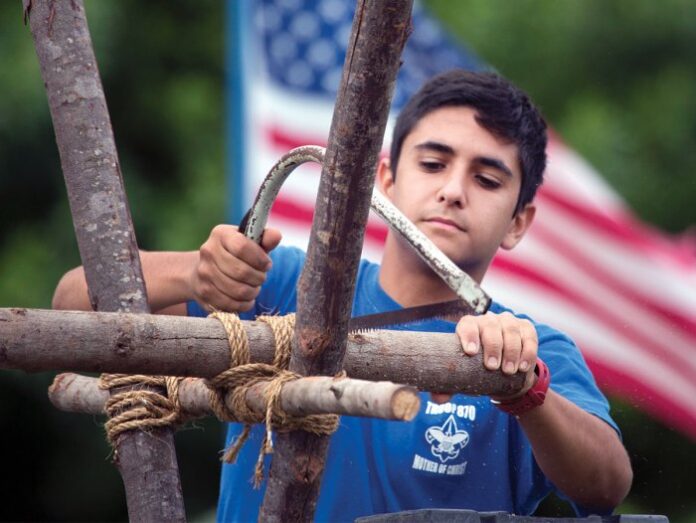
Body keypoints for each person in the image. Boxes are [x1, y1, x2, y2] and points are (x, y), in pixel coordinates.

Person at [53, 70, 632, 521]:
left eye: (486, 179)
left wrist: (524, 386)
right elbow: (70, 307)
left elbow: (607, 487)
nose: (453, 191)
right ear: (386, 179)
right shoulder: (279, 284)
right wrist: (193, 277)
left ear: (518, 222)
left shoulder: (530, 347)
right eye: (433, 163)